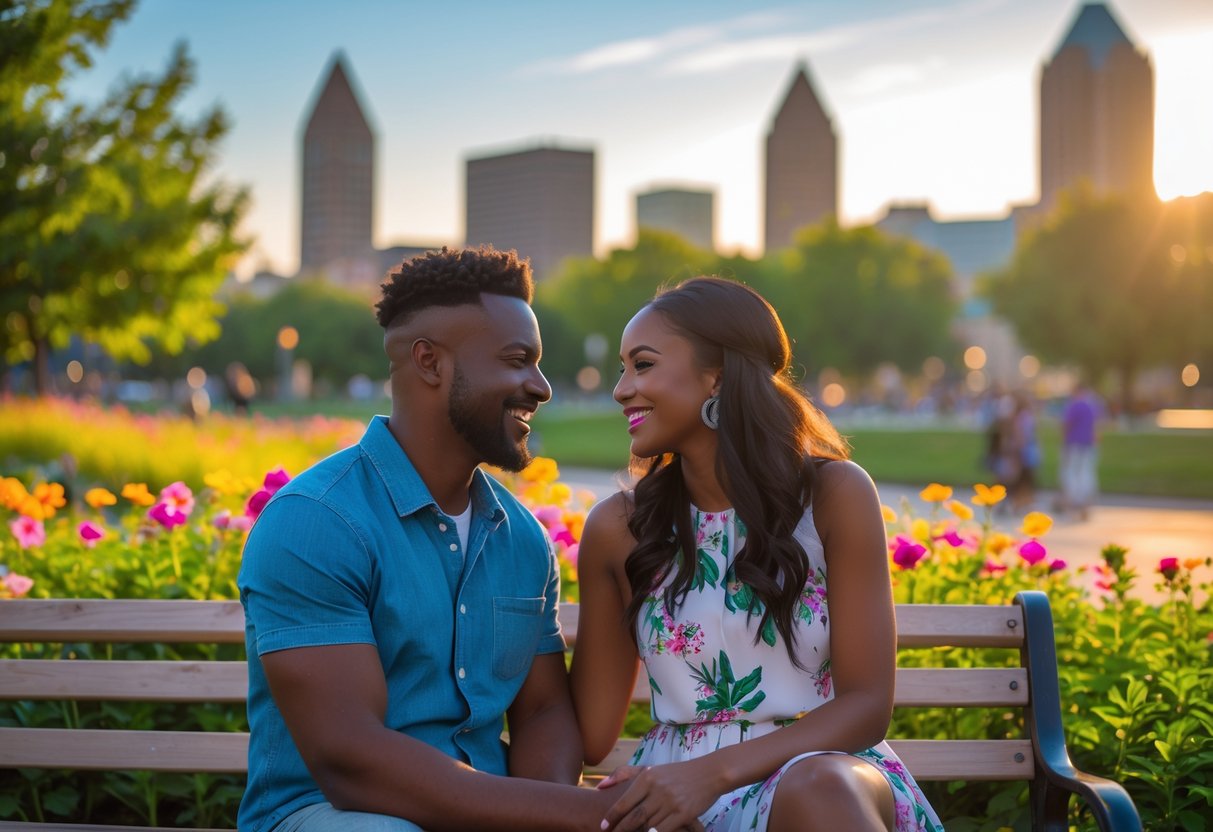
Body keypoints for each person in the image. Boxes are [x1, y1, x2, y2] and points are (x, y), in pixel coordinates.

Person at [237, 247, 636, 832]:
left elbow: (545, 710)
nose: (541, 386)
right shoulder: (315, 521)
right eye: (517, 360)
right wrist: (584, 812)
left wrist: (551, 816)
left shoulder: (521, 537)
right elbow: (352, 762)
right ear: (430, 363)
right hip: (332, 814)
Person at [570, 277, 943, 832]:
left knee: (821, 790)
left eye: (642, 365)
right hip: (673, 793)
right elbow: (592, 733)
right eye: (623, 368)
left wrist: (712, 774)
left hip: (820, 772)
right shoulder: (618, 528)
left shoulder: (834, 497)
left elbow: (866, 706)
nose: (622, 389)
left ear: (715, 377)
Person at [1058, 380, 1101, 519]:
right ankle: (1085, 501)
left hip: (1074, 443)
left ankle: (1074, 501)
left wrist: (1063, 441)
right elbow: (1097, 426)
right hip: (1088, 444)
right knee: (1086, 472)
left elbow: (1067, 424)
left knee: (1072, 473)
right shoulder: (1091, 406)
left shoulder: (1074, 406)